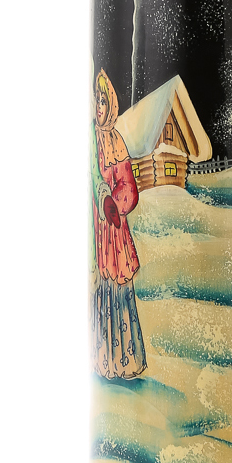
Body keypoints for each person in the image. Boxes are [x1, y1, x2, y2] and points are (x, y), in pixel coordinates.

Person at [91, 68, 146, 379]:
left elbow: (130, 188)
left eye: (103, 101)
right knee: (100, 291)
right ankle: (101, 360)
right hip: (96, 233)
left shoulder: (116, 142)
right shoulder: (89, 141)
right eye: (95, 100)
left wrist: (115, 203)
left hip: (115, 232)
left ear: (110, 105)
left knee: (119, 290)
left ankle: (124, 361)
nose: (98, 107)